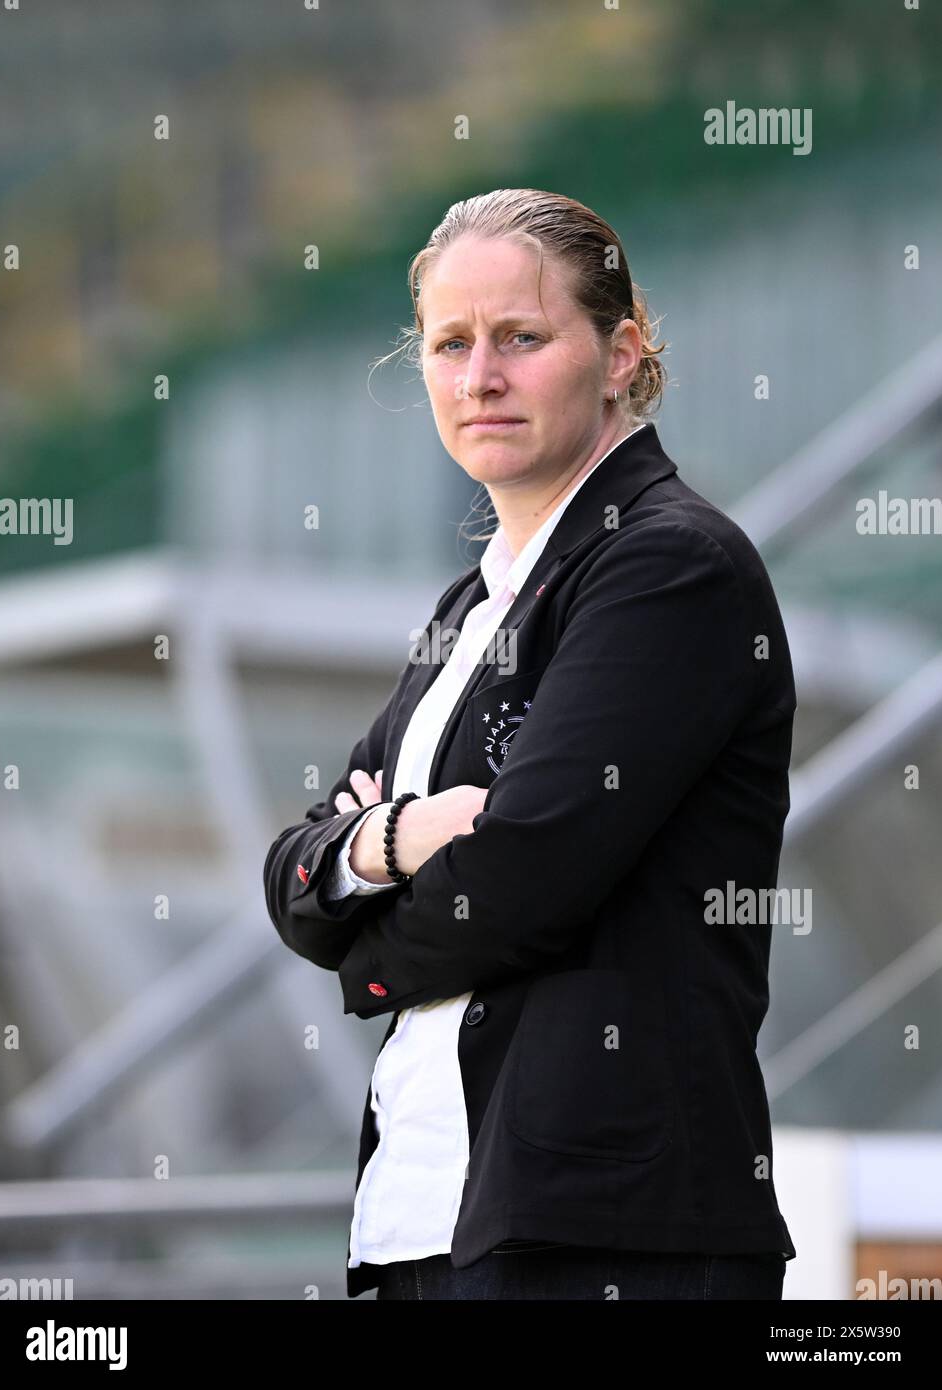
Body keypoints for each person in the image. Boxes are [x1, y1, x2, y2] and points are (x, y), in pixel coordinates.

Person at [263, 188, 797, 1300]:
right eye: (451, 343)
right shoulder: (474, 604)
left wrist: (365, 962)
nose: (479, 378)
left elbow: (522, 878)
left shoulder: (670, 567)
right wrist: (399, 837)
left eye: (521, 338)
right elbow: (293, 871)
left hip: (605, 1240)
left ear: (620, 354)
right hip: (425, 1220)